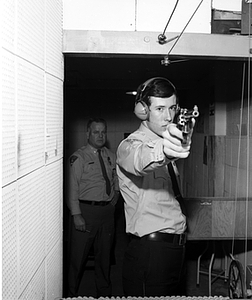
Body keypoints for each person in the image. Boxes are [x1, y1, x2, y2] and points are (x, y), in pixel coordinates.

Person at [116, 77, 196, 297]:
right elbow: (140, 158)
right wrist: (166, 150)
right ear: (143, 111)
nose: (168, 116)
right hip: (151, 252)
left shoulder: (165, 139)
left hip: (172, 250)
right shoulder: (130, 145)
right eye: (159, 108)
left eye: (172, 108)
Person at [66, 117, 119, 297]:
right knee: (77, 258)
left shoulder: (111, 157)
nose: (100, 135)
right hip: (85, 212)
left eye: (103, 132)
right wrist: (76, 215)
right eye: (96, 132)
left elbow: (116, 182)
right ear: (88, 133)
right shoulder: (78, 157)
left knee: (104, 258)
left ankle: (104, 293)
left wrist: (113, 202)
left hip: (107, 213)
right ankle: (70, 293)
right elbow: (71, 188)